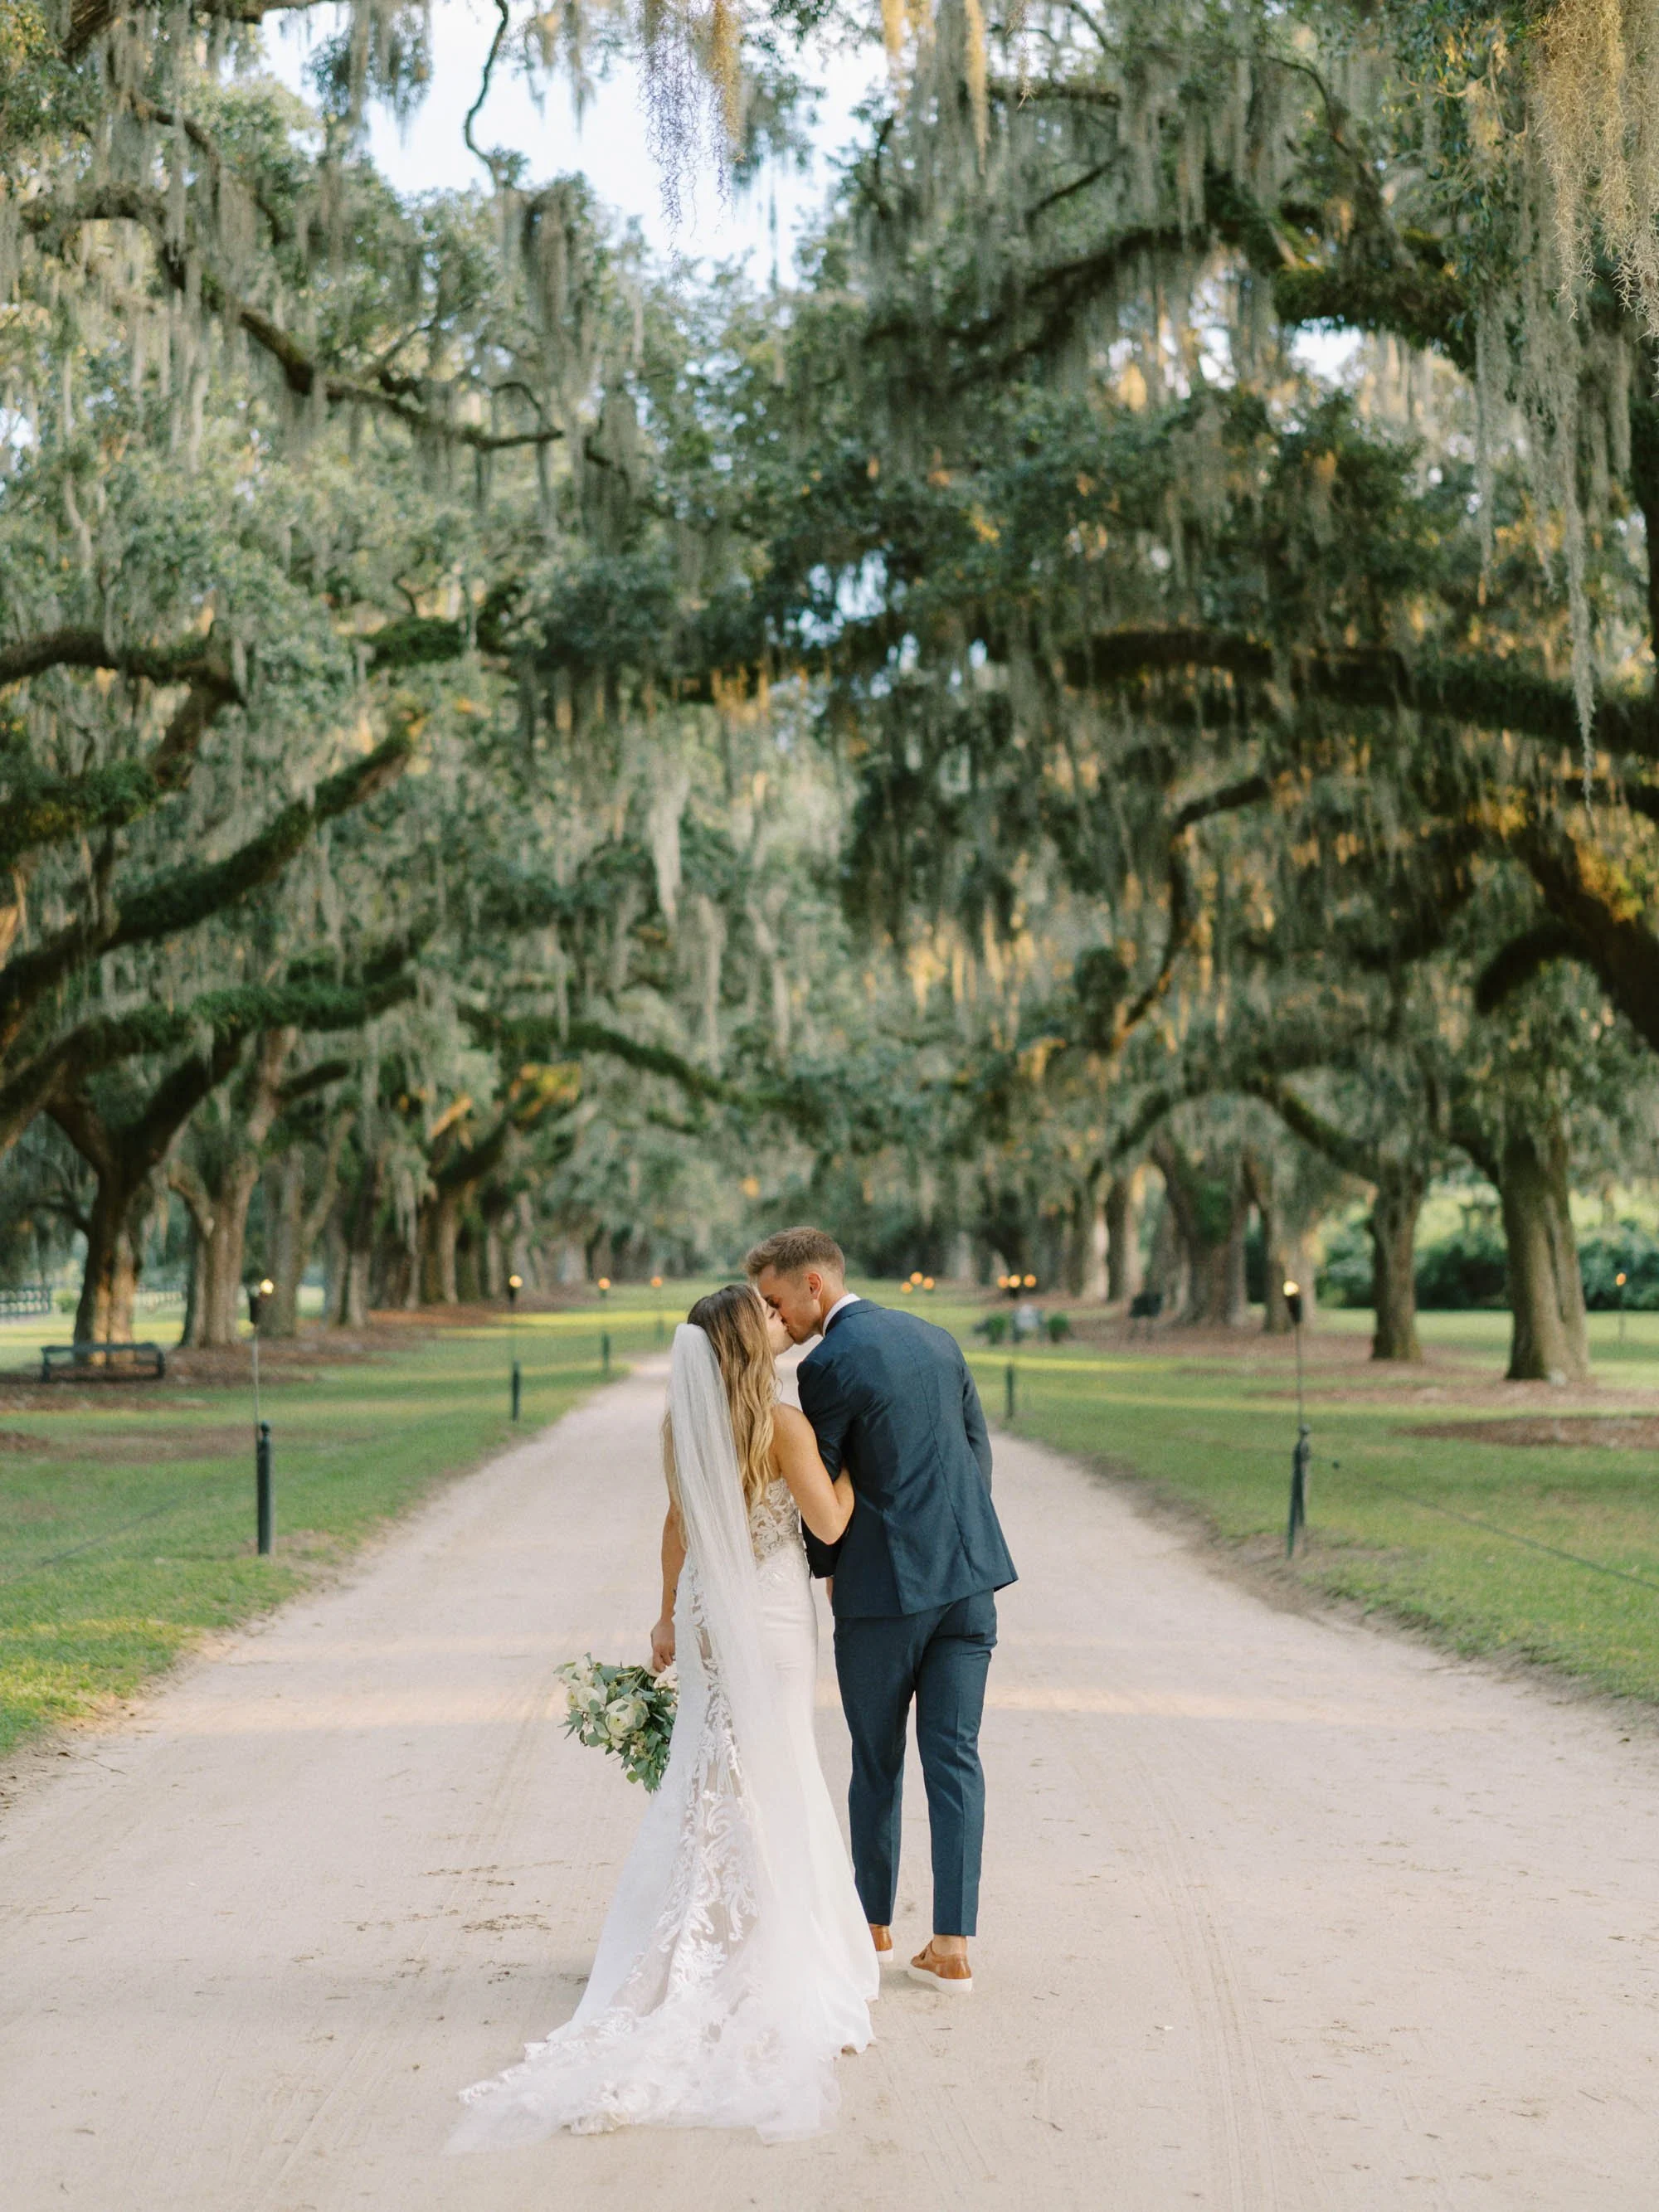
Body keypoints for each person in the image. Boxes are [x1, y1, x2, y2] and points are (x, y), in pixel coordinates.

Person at [451, 1286, 877, 2149]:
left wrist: (662, 1618)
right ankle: (772, 1937)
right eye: (762, 1313)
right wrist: (862, 1463)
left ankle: (685, 1929)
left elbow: (677, 1525)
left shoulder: (681, 1425)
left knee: (708, 1771)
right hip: (770, 1612)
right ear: (746, 1342)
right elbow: (828, 1520)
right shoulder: (783, 1428)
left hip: (707, 1612)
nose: (774, 1318)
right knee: (779, 1765)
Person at [747, 1227, 1017, 1996]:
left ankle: (872, 1930)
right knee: (956, 1755)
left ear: (812, 1286)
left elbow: (822, 1487)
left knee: (878, 1760)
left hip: (885, 1596)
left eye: (774, 1299)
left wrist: (830, 1571)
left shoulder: (827, 1363)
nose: (773, 1317)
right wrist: (955, 1545)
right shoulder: (936, 1337)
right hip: (970, 1584)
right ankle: (954, 1945)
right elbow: (977, 1454)